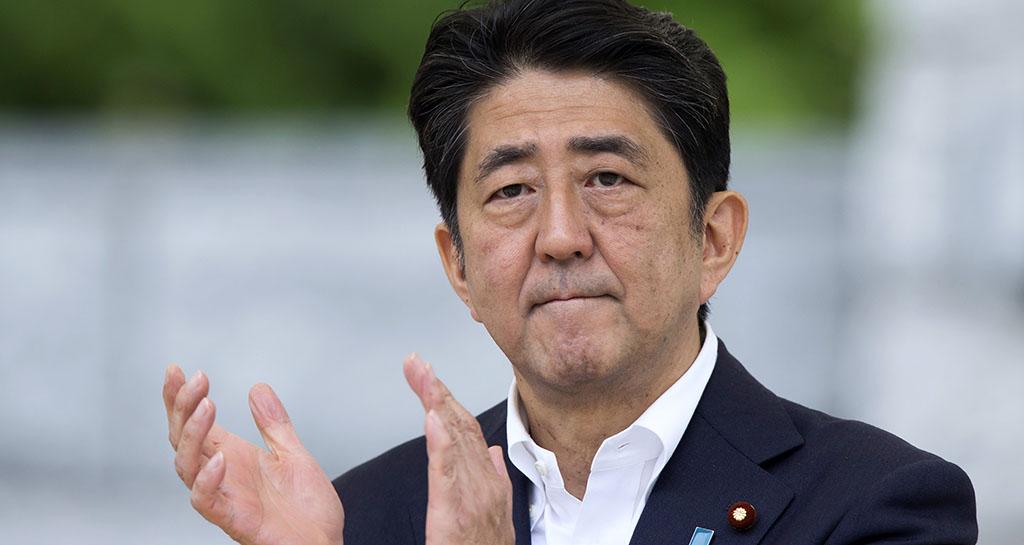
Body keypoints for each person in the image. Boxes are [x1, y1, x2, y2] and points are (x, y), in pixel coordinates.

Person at [162, 1, 978, 544]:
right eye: (512, 191)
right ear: (459, 266)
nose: (559, 236)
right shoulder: (368, 516)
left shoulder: (878, 503)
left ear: (715, 238)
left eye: (607, 180)